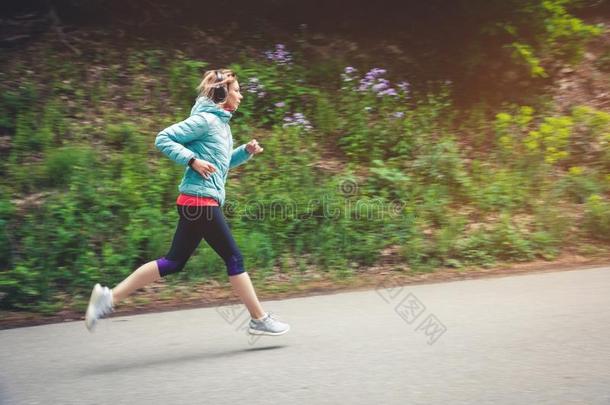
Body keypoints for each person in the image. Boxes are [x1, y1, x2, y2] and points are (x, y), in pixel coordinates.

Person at [84, 69, 290, 336]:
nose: (241, 94)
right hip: (200, 202)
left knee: (173, 262)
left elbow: (220, 164)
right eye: (236, 89)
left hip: (197, 201)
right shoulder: (204, 120)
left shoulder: (221, 125)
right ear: (221, 93)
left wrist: (245, 152)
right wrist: (191, 160)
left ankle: (108, 298)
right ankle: (259, 319)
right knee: (234, 258)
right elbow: (163, 138)